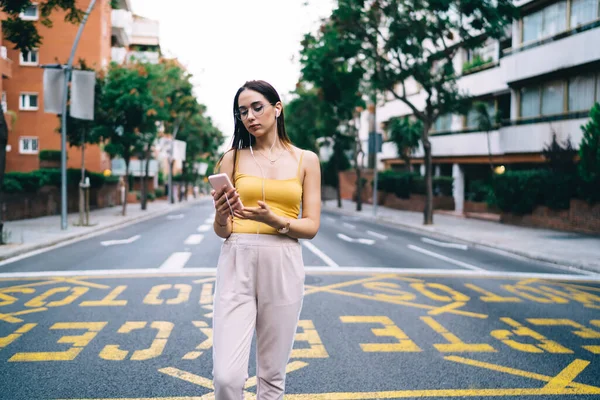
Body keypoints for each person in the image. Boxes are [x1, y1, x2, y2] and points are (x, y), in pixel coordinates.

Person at [210, 80, 321, 400]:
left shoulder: (306, 160)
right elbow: (223, 229)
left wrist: (276, 221)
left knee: (272, 377)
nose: (250, 117)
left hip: (283, 260)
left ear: (277, 108)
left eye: (257, 107)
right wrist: (220, 215)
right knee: (227, 378)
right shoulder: (231, 158)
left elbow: (311, 226)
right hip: (236, 260)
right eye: (242, 112)